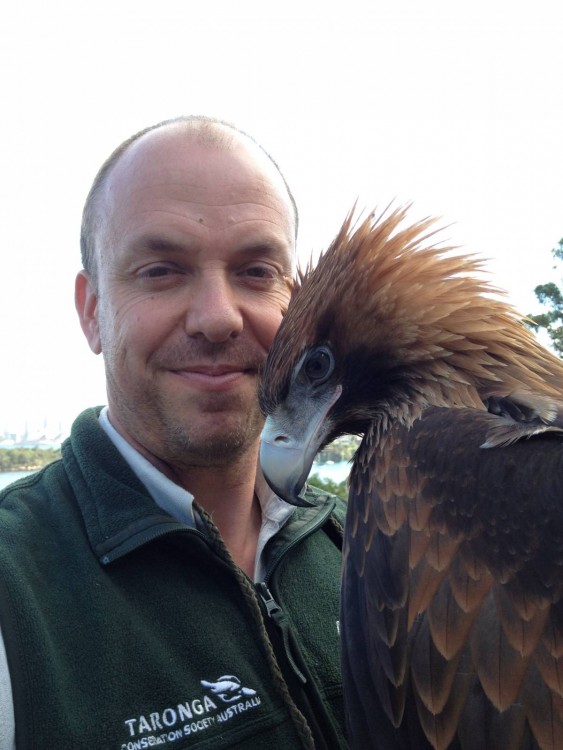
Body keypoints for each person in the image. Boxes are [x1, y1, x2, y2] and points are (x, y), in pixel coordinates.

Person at [0, 116, 348, 749]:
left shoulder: (369, 544)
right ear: (92, 311)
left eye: (257, 271)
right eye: (161, 270)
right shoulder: (14, 590)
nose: (217, 318)